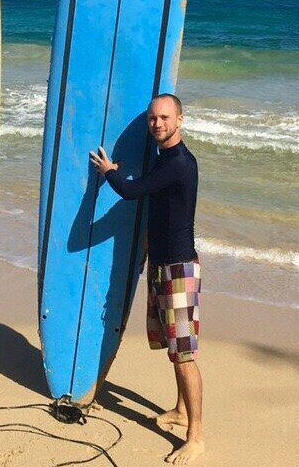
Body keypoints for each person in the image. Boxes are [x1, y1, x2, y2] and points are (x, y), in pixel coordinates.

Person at [90, 93, 204, 465]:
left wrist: (109, 170)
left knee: (184, 355)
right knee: (174, 348)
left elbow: (131, 191)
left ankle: (196, 437)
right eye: (153, 118)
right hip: (163, 265)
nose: (157, 123)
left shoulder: (179, 163)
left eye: (165, 117)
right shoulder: (163, 158)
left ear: (180, 120)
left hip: (178, 270)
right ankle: (181, 411)